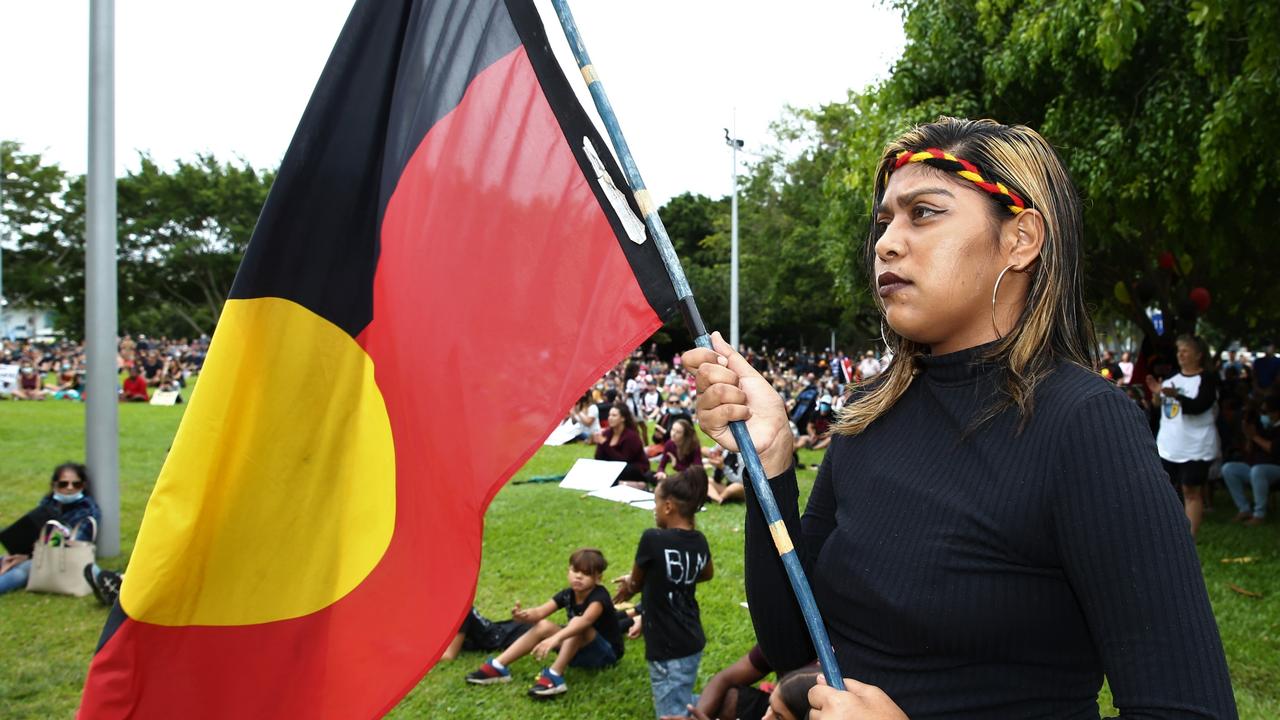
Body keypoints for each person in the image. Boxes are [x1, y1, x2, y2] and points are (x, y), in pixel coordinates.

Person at [684, 118, 1234, 718]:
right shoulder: (869, 414)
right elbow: (797, 642)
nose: (887, 242)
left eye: (923, 213)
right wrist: (772, 462)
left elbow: (1188, 707)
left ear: (1020, 238)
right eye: (886, 220)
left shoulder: (1084, 425)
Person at [614, 468, 714, 719]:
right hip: (691, 637)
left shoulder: (652, 538)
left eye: (655, 503)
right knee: (680, 690)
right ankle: (712, 705)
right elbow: (707, 573)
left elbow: (636, 584)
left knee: (671, 713)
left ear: (668, 506)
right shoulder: (699, 540)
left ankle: (714, 708)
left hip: (667, 645)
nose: (654, 510)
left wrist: (628, 584)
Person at [464, 548, 623, 699]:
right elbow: (540, 612)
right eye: (575, 571)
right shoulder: (567, 594)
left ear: (598, 578)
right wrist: (524, 616)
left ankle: (555, 676)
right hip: (576, 649)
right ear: (568, 571)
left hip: (605, 654)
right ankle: (498, 667)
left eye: (586, 574)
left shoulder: (599, 596)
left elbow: (585, 621)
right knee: (543, 625)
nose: (578, 576)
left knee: (577, 624)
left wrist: (556, 638)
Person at [0, 463, 120, 604]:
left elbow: (74, 542)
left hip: (62, 558)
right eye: (64, 484)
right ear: (54, 485)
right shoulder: (48, 503)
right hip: (36, 552)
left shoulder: (88, 509)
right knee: (5, 559)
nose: (69, 488)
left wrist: (28, 556)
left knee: (22, 570)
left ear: (83, 486)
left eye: (76, 484)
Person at [1146, 334, 1220, 538]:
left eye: (1185, 351)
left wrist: (1175, 395)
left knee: (1191, 490)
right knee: (1165, 490)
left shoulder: (1207, 379)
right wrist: (1156, 394)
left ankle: (1190, 537)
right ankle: (1166, 532)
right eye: (1179, 351)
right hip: (1169, 445)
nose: (1181, 355)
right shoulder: (1172, 379)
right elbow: (1159, 407)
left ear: (1198, 355)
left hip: (1196, 445)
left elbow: (1199, 406)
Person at [1222, 397, 1279, 526]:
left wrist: (1255, 436)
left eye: (1267, 411)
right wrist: (1248, 435)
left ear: (1276, 412)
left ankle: (1259, 515)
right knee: (1229, 468)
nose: (1264, 415)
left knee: (1257, 471)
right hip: (1256, 467)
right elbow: (1249, 451)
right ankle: (1244, 509)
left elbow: (1273, 449)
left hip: (1274, 468)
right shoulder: (1264, 426)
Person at [593, 403, 652, 488]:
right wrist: (600, 444)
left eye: (614, 415)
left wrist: (605, 444)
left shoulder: (631, 436)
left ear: (623, 418)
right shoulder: (607, 433)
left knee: (620, 470)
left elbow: (623, 460)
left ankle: (634, 484)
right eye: (609, 415)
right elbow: (599, 458)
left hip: (634, 468)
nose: (610, 418)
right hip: (613, 467)